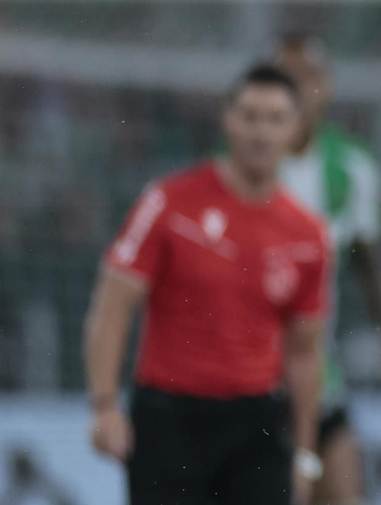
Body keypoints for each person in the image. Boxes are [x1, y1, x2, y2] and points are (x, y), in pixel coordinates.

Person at [83, 63, 331, 505]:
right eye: (250, 116)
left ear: (296, 131)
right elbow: (113, 305)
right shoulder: (168, 202)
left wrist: (305, 453)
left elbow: (304, 352)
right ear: (227, 120)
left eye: (276, 119)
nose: (261, 132)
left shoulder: (308, 234)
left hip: (257, 424)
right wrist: (104, 406)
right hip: (170, 417)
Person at [275, 34, 381, 505]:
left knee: (343, 493)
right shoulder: (242, 168)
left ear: (327, 87)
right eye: (285, 78)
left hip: (320, 373)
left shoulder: (351, 167)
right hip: (251, 381)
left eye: (307, 78)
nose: (297, 90)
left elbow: (367, 261)